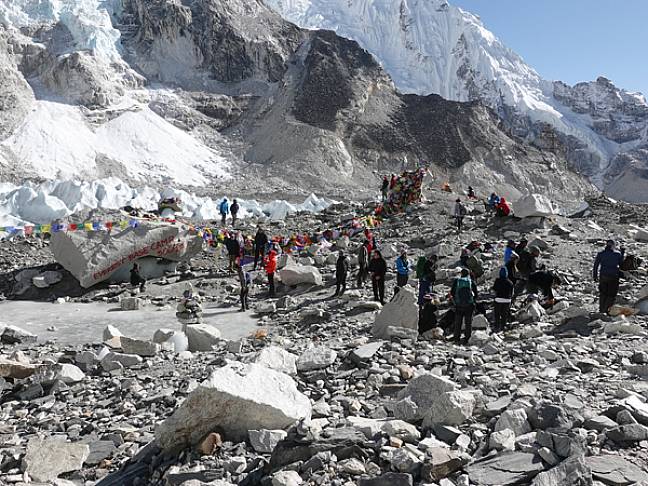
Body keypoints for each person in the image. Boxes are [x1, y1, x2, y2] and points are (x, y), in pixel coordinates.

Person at [593, 239, 625, 314]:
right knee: (611, 295)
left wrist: (595, 276)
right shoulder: (617, 254)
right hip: (614, 276)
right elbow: (621, 264)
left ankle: (601, 310)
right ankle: (607, 311)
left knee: (603, 293)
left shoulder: (601, 254)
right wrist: (622, 252)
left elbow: (596, 265)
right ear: (613, 246)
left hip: (603, 276)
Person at [450, 268, 476, 344]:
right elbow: (476, 294)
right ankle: (467, 338)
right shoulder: (471, 282)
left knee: (458, 322)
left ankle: (456, 337)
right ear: (468, 274)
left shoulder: (457, 281)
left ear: (461, 273)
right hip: (469, 305)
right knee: (468, 323)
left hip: (459, 305)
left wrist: (456, 301)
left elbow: (452, 292)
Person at [493, 267, 514, 333]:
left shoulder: (497, 280)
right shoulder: (510, 282)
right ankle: (503, 326)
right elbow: (512, 293)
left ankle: (497, 326)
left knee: (497, 313)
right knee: (504, 314)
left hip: (498, 299)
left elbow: (494, 290)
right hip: (507, 300)